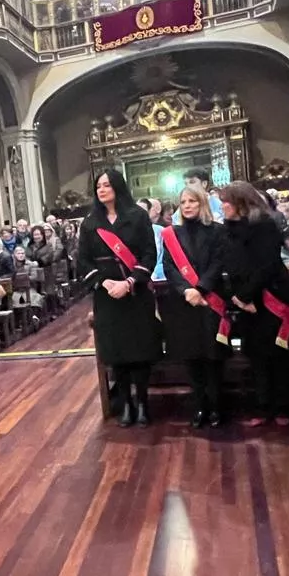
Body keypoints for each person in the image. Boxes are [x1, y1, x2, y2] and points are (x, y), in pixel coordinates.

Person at [81, 168, 162, 426]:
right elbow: (83, 260)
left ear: (118, 186)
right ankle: (126, 403)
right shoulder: (90, 222)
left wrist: (129, 282)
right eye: (98, 186)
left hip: (135, 292)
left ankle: (143, 402)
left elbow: (149, 253)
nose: (102, 190)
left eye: (106, 185)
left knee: (140, 350)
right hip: (107, 296)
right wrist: (105, 283)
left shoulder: (137, 216)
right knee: (117, 352)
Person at [220, 181, 289, 426]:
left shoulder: (264, 225)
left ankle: (284, 406)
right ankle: (261, 404)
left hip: (270, 294)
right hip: (245, 299)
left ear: (241, 203)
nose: (222, 206)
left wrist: (246, 296)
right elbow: (230, 264)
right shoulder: (228, 230)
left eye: (226, 202)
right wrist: (238, 296)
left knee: (277, 353)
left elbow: (267, 264)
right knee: (254, 354)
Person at [159, 185, 229, 428]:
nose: (187, 205)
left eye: (193, 201)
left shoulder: (217, 231)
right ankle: (199, 406)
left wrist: (200, 289)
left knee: (213, 358)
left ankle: (217, 406)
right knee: (192, 359)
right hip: (184, 304)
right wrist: (186, 290)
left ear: (202, 203)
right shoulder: (172, 234)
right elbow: (169, 266)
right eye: (183, 202)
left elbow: (218, 263)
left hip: (210, 301)